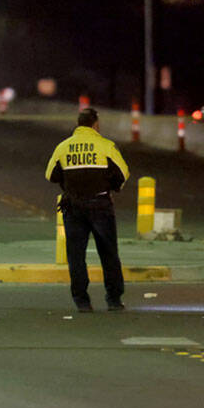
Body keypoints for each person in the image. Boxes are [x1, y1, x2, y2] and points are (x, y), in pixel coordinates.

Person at [44, 107, 130, 313]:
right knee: (108, 253)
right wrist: (110, 186)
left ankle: (82, 300)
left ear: (78, 124)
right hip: (100, 205)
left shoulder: (63, 147)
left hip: (73, 207)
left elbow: (50, 175)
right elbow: (123, 173)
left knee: (76, 255)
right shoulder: (106, 146)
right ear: (96, 124)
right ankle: (114, 299)